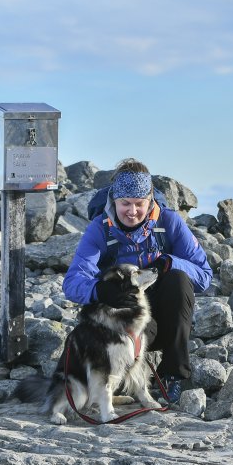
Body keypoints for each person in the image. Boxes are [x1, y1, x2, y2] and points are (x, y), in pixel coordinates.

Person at [62, 158, 213, 404]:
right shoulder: (100, 229)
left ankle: (174, 374)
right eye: (125, 204)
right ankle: (115, 379)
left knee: (178, 279)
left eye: (139, 204)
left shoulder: (169, 222)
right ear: (114, 200)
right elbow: (72, 283)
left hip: (167, 321)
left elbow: (204, 276)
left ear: (150, 199)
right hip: (124, 322)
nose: (132, 212)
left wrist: (170, 262)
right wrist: (100, 290)